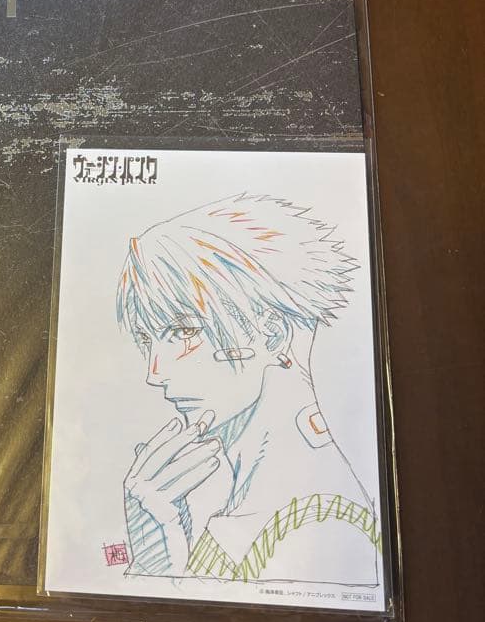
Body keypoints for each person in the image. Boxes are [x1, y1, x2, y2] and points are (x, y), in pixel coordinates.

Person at [116, 192, 382, 586]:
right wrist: (159, 552)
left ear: (272, 334)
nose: (155, 373)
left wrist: (156, 568)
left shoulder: (318, 527)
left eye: (184, 331)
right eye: (146, 339)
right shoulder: (254, 506)